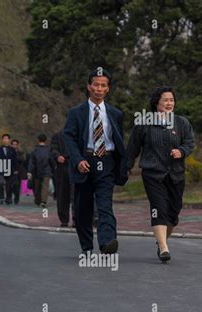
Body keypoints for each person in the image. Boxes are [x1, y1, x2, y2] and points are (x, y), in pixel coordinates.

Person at [126, 86, 194, 262]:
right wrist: (125, 168)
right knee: (158, 208)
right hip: (153, 174)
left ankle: (161, 241)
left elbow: (190, 142)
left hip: (176, 174)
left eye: (172, 100)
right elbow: (132, 148)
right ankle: (164, 248)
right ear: (157, 102)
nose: (169, 103)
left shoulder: (182, 123)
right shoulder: (144, 123)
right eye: (166, 100)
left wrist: (182, 151)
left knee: (174, 212)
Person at [63, 69, 128, 255]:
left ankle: (107, 242)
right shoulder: (76, 113)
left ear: (108, 89)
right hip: (85, 162)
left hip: (106, 162)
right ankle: (87, 247)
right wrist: (78, 160)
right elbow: (69, 138)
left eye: (103, 85)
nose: (99, 89)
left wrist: (122, 165)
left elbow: (118, 140)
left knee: (105, 204)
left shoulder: (115, 113)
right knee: (83, 208)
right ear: (89, 86)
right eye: (96, 85)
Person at [50, 130, 74, 227]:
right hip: (62, 167)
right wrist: (57, 156)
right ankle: (64, 220)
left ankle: (76, 219)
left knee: (76, 195)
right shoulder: (58, 135)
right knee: (62, 194)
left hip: (75, 166)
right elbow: (53, 149)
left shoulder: (79, 133)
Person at [28, 134, 53, 208]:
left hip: (36, 171)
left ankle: (38, 200)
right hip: (47, 171)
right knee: (45, 187)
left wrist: (29, 171)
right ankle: (43, 201)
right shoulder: (49, 150)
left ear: (38, 140)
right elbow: (51, 161)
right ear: (45, 140)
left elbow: (31, 162)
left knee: (37, 187)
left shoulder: (35, 150)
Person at [0, 134, 17, 204]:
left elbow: (15, 160)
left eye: (7, 138)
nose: (5, 140)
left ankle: (8, 198)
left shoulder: (12, 150)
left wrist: (15, 170)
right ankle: (1, 197)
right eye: (4, 138)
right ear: (2, 140)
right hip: (1, 169)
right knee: (1, 183)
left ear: (9, 140)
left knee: (9, 185)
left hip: (10, 170)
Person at [11, 139, 27, 204]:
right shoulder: (8, 152)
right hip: (10, 171)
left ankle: (16, 198)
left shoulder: (20, 152)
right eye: (13, 144)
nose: (14, 145)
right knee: (10, 185)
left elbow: (23, 159)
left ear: (17, 145)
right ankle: (11, 195)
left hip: (19, 171)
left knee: (17, 185)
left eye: (16, 144)